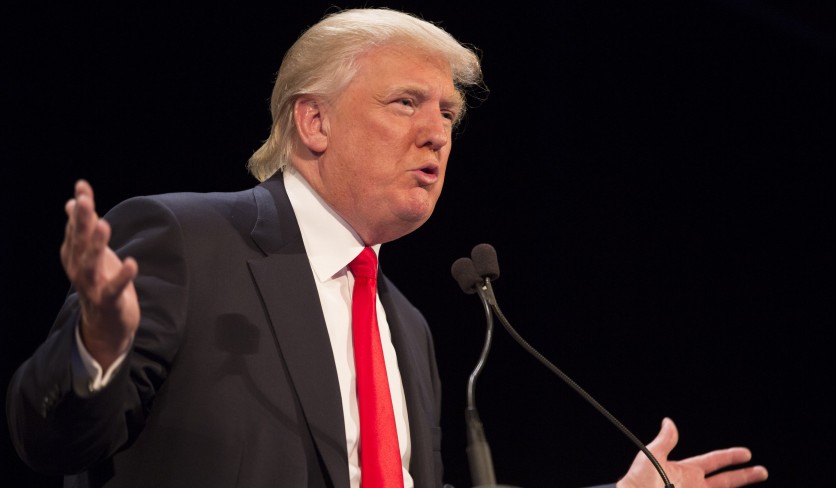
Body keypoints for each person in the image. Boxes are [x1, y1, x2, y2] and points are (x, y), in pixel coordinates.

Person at [6, 7, 768, 488]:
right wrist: (95, 345)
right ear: (314, 123)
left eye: (447, 114)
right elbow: (48, 440)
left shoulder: (406, 327)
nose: (437, 131)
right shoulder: (189, 240)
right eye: (406, 102)